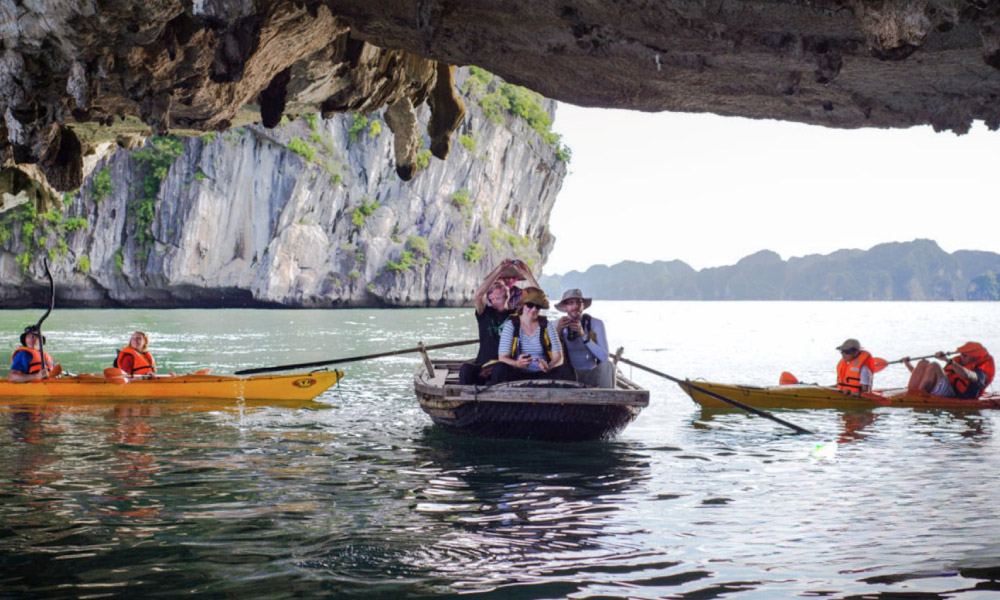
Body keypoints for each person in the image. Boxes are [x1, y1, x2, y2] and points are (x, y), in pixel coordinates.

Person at [490, 287, 575, 384]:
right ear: (522, 305)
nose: (534, 309)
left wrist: (548, 367)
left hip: (543, 374)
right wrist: (517, 363)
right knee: (499, 368)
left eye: (538, 306)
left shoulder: (547, 325)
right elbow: (503, 358)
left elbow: (559, 357)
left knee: (568, 370)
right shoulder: (512, 325)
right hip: (518, 374)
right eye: (530, 305)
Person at [459, 261, 515, 385]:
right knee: (465, 369)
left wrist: (526, 273)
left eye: (503, 285)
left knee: (499, 368)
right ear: (490, 297)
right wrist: (499, 269)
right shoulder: (485, 313)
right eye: (497, 286)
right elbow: (479, 294)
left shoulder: (516, 315)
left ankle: (495, 401)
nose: (502, 286)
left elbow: (538, 302)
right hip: (483, 366)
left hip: (504, 366)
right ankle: (466, 400)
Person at [555, 288, 614, 388]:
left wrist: (584, 336)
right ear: (565, 307)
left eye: (579, 302)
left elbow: (604, 357)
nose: (575, 306)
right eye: (571, 303)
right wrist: (558, 332)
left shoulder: (595, 324)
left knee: (608, 365)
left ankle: (608, 401)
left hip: (590, 373)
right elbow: (548, 355)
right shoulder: (556, 324)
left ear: (583, 306)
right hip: (568, 375)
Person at [903, 342, 995, 398]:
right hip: (944, 389)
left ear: (975, 358)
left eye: (965, 355)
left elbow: (967, 375)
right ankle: (912, 392)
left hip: (955, 395)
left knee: (934, 365)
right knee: (923, 363)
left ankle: (917, 395)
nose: (962, 356)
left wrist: (947, 360)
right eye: (961, 354)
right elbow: (929, 376)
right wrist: (908, 364)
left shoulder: (981, 373)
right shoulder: (960, 362)